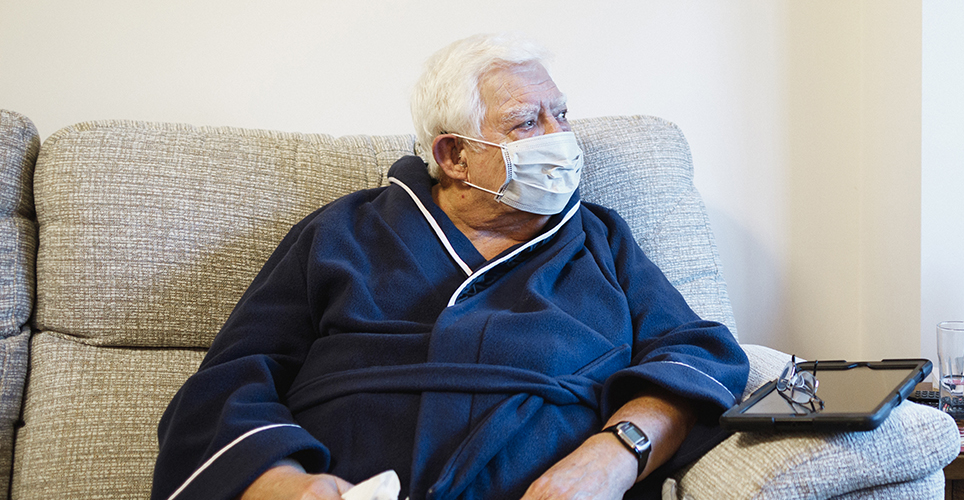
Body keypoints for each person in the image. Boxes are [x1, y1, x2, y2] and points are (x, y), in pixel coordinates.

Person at [149, 33, 749, 500]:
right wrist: (281, 482)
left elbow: (697, 352)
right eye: (526, 122)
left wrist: (614, 457)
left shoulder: (598, 237)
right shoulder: (344, 231)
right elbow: (232, 376)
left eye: (561, 115)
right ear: (453, 154)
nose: (561, 138)